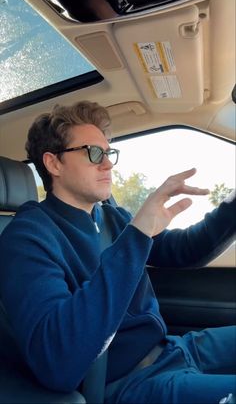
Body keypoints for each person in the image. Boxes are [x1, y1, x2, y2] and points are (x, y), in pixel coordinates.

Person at [0, 101, 235, 404]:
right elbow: (58, 359)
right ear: (54, 163)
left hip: (174, 348)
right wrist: (137, 235)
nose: (108, 164)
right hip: (130, 382)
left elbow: (183, 250)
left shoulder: (110, 216)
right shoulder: (26, 238)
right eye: (93, 153)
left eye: (108, 153)